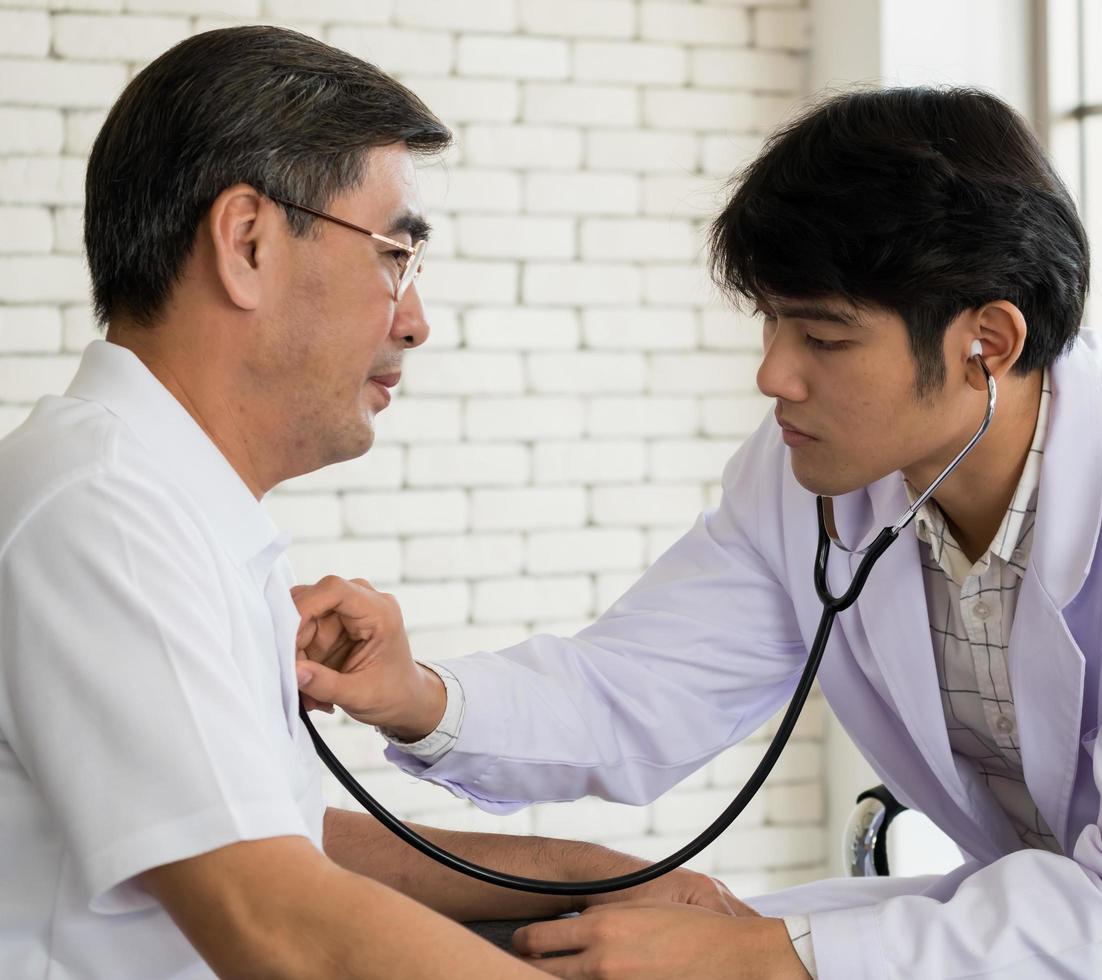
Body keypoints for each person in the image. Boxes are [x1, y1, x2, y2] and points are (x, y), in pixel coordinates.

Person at [292, 88, 1102, 978]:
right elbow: (631, 691)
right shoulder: (819, 475)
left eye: (823, 336)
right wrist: (421, 693)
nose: (774, 375)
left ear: (986, 342)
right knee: (610, 942)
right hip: (1054, 918)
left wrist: (771, 955)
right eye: (769, 323)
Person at [0, 26, 745, 980]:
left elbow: (278, 835)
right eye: (394, 253)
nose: (416, 319)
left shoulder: (155, 501)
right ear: (248, 242)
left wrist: (583, 875)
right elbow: (277, 919)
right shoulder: (101, 516)